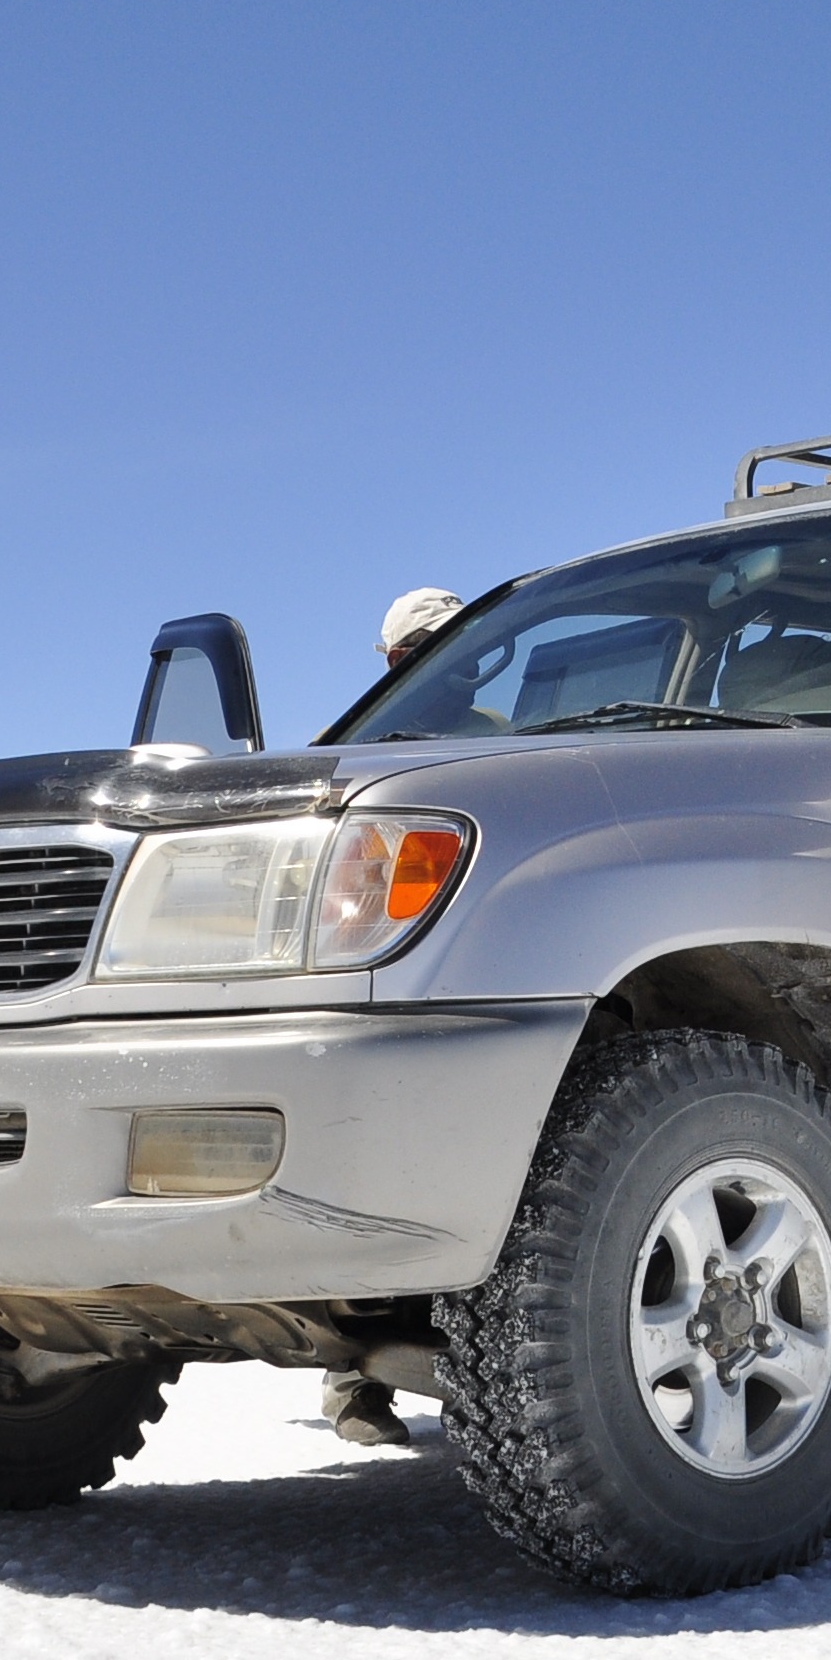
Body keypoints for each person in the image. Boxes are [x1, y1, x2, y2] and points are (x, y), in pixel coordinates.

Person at [318, 586, 466, 1448]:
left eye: (449, 643)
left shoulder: (493, 729)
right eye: (422, 647)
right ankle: (354, 1388)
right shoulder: (363, 745)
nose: (436, 659)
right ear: (391, 660)